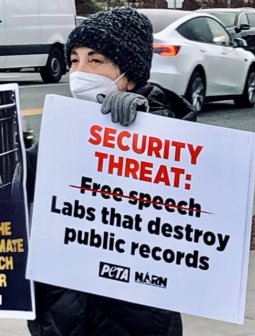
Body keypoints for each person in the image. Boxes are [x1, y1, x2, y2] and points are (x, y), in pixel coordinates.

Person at [25, 6, 195, 336]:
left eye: (95, 60)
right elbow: (26, 184)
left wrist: (147, 128)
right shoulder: (69, 126)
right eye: (74, 60)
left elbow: (189, 183)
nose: (79, 71)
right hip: (62, 306)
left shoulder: (162, 123)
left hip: (134, 313)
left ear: (129, 74)